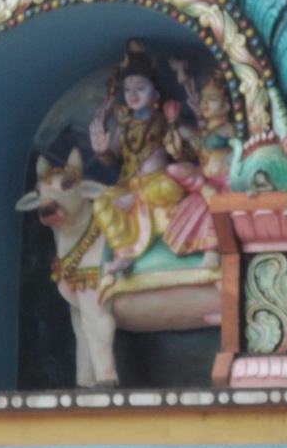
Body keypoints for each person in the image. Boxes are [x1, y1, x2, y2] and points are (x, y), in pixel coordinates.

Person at [90, 41, 191, 274]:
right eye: (127, 90)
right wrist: (101, 150)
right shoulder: (124, 125)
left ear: (156, 93)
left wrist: (180, 129)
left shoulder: (164, 120)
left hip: (157, 182)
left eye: (140, 88)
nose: (132, 95)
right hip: (127, 185)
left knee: (170, 187)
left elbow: (188, 148)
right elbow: (112, 159)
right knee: (101, 203)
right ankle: (124, 253)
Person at [162, 63, 234, 266]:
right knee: (173, 169)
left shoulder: (228, 129)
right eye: (204, 99)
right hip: (205, 184)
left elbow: (204, 141)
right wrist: (174, 123)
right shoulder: (203, 131)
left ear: (227, 106)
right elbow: (191, 140)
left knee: (214, 209)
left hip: (225, 184)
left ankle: (213, 250)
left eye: (212, 99)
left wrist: (185, 130)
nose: (205, 103)